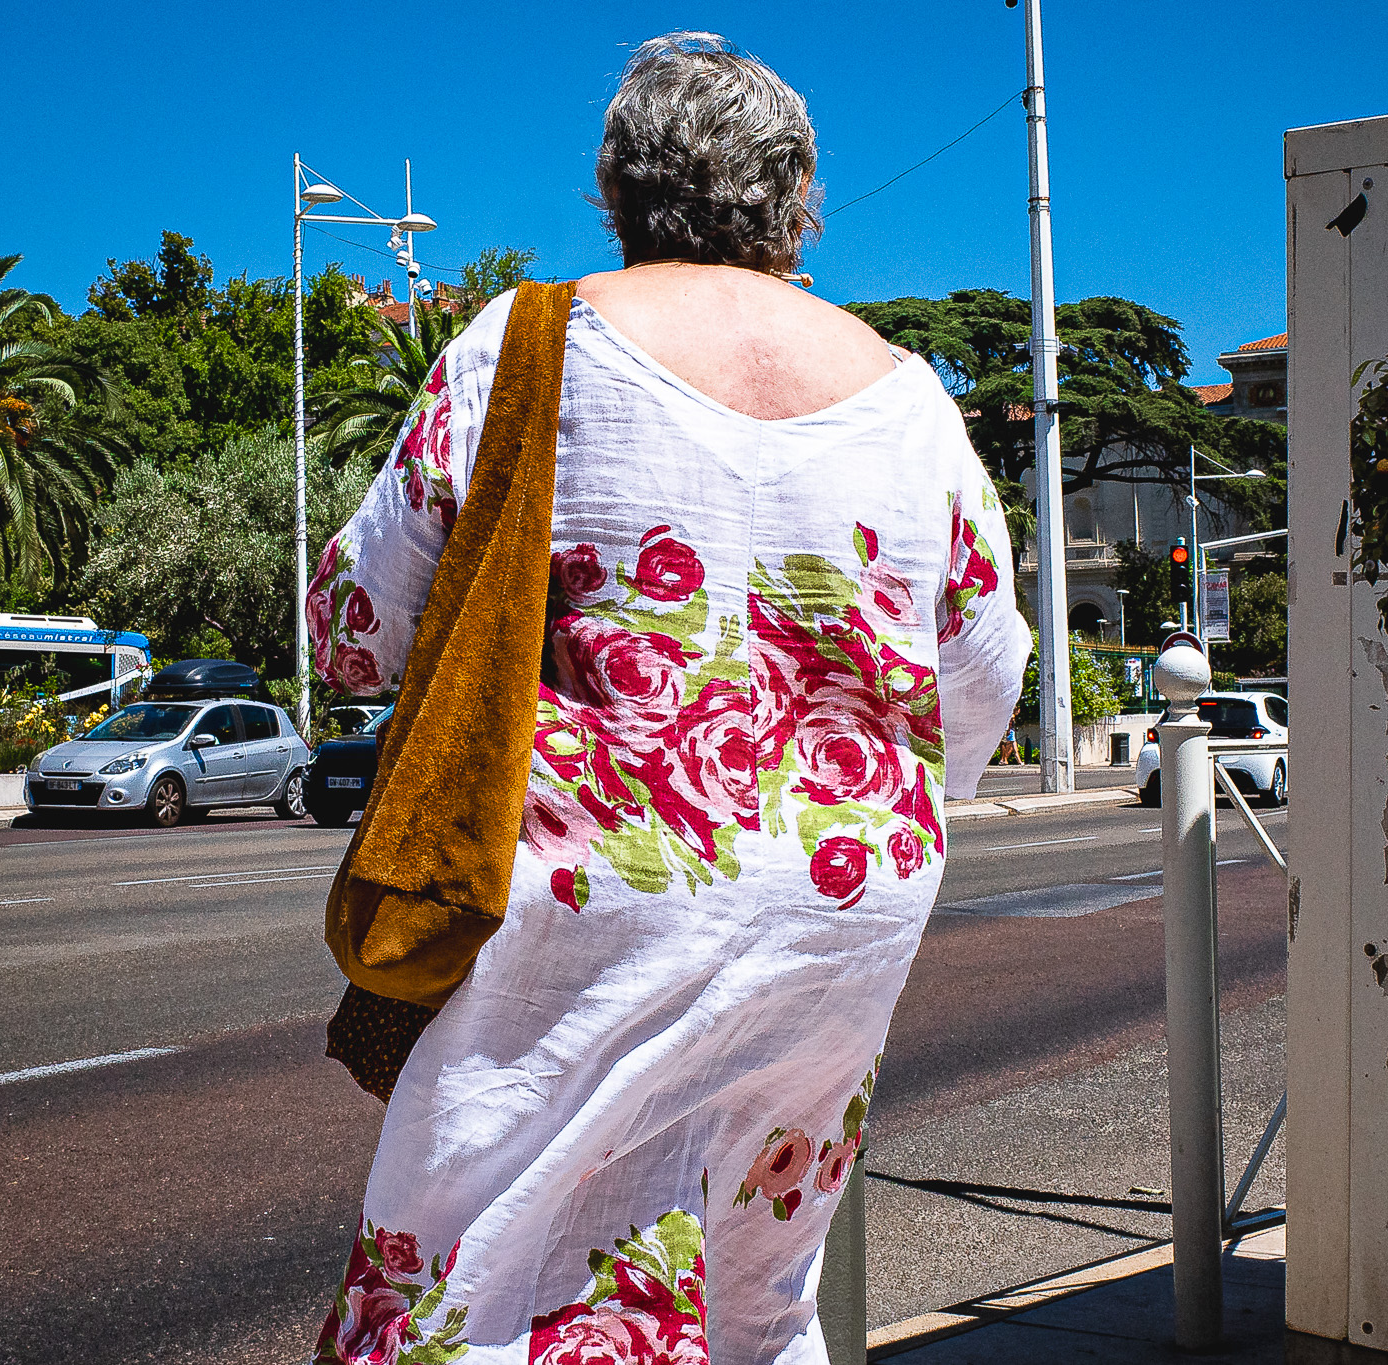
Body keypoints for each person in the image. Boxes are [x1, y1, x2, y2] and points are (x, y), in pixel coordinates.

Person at [306, 33, 1028, 1365]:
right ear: (798, 200)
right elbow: (985, 679)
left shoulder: (523, 345)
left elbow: (351, 631)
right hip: (838, 917)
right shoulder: (914, 401)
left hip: (589, 911)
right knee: (757, 1296)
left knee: (474, 1278)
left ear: (615, 189)